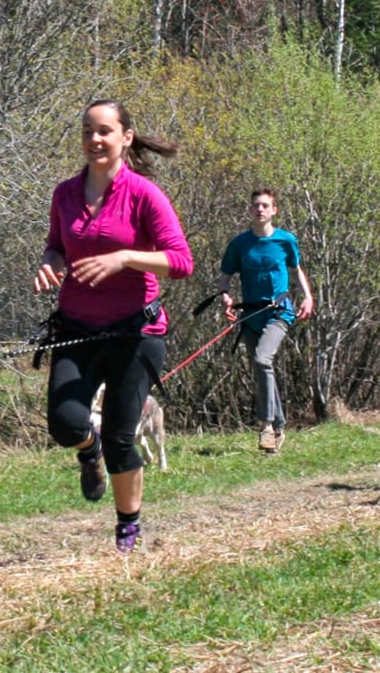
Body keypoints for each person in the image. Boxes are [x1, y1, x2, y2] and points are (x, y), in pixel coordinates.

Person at [34, 100, 194, 554]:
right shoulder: (65, 193)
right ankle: (89, 450)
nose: (94, 140)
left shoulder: (144, 195)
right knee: (66, 423)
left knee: (123, 436)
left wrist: (125, 257)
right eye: (87, 131)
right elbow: (54, 246)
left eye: (104, 131)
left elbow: (181, 262)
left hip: (134, 333)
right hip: (76, 327)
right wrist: (50, 264)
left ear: (125, 137)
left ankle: (127, 532)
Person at [217, 189, 315, 454]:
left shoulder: (285, 241)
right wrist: (225, 297)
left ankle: (266, 426)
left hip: (280, 312)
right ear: (250, 210)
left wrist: (307, 297)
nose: (259, 210)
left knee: (263, 360)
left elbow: (296, 271)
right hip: (250, 316)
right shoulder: (240, 244)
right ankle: (279, 428)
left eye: (265, 206)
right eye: (255, 206)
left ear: (274, 210)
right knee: (261, 371)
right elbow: (225, 277)